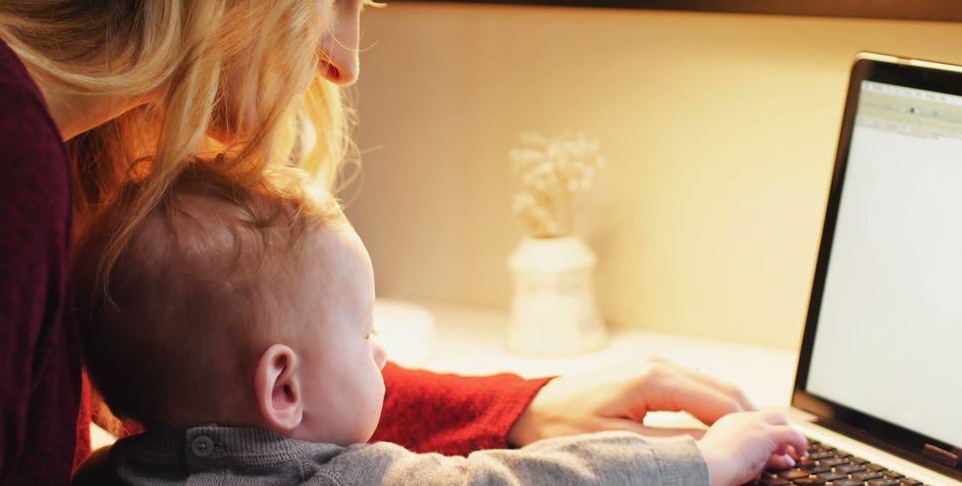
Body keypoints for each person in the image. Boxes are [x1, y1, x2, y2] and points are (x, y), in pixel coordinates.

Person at [0, 0, 762, 482]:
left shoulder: (73, 162)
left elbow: (248, 403)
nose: (345, 62)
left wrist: (522, 409)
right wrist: (692, 461)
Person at [69, 160, 806, 485]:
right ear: (283, 389)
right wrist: (705, 462)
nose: (383, 353)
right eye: (363, 333)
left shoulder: (101, 473)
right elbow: (523, 484)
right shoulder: (344, 482)